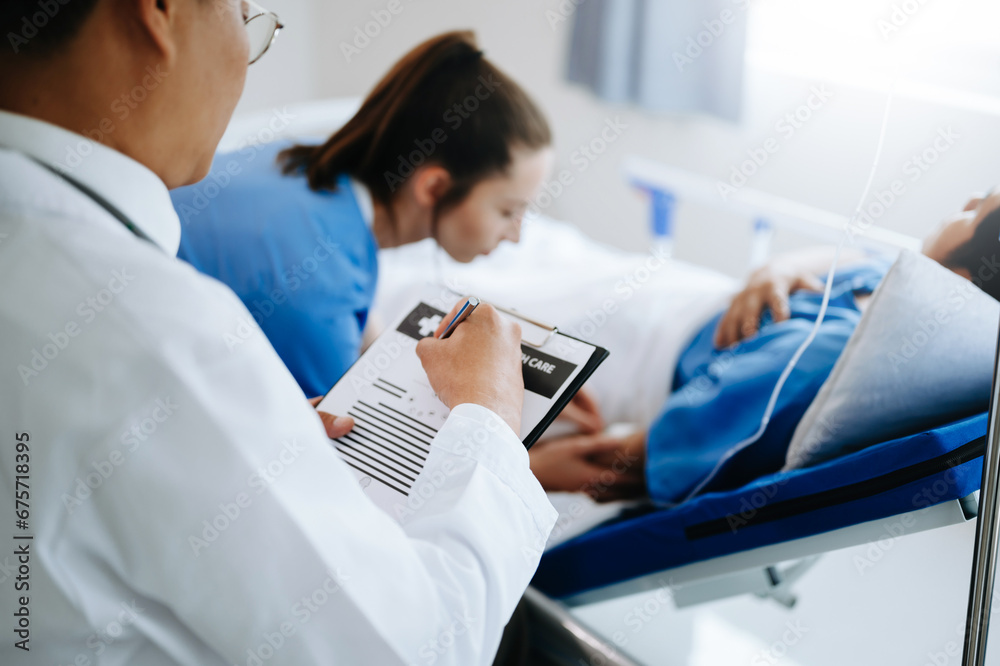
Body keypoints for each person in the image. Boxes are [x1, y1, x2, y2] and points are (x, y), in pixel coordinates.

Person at [0, 2, 557, 665]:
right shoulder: (167, 336)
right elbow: (418, 649)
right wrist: (493, 422)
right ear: (160, 11)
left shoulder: (286, 180)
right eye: (245, 16)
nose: (516, 235)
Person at [528, 192, 1000, 504]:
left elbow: (632, 462)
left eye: (975, 209)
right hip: (673, 293)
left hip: (640, 346)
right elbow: (856, 259)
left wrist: (527, 468)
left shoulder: (821, 358)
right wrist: (775, 268)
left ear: (961, 280)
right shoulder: (893, 285)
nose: (965, 199)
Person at [170, 31, 555, 399]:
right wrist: (533, 462)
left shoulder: (293, 159)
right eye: (509, 211)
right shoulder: (319, 285)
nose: (516, 235)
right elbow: (335, 446)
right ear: (433, 187)